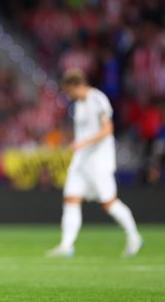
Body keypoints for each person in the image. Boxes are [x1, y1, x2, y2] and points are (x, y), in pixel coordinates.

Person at [47, 69, 142, 258]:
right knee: (71, 199)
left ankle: (134, 236)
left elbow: (107, 130)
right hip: (81, 160)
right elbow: (84, 131)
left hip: (99, 160)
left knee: (109, 203)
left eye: (69, 91)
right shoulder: (79, 105)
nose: (68, 95)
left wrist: (82, 143)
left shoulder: (98, 99)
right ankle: (67, 245)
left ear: (77, 85)